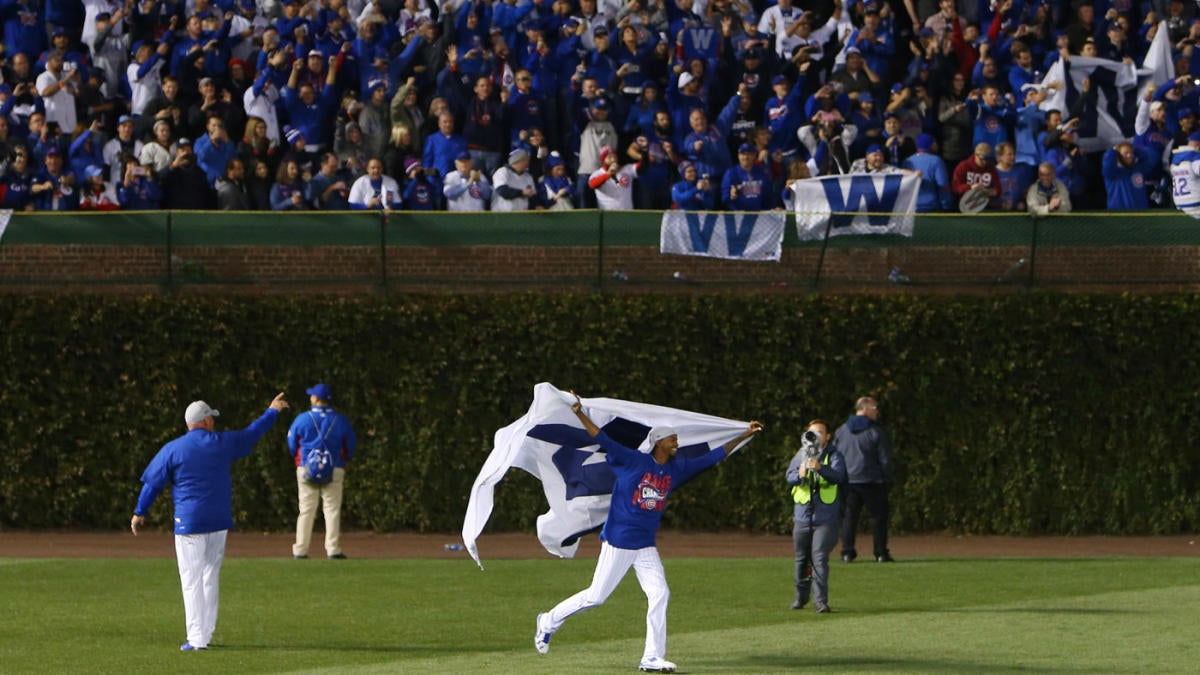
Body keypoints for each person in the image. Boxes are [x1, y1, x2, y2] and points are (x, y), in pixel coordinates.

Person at [534, 391, 763, 673]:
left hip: (644, 544)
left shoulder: (675, 470)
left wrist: (743, 435)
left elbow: (713, 457)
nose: (677, 442)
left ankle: (651, 656)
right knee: (596, 596)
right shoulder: (633, 461)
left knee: (659, 593)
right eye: (672, 439)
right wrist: (580, 412)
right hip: (619, 541)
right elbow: (601, 438)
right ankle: (548, 620)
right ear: (658, 443)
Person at [130, 393, 290, 651]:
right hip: (218, 522)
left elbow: (152, 484)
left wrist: (140, 512)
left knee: (191, 579)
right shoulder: (221, 443)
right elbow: (251, 434)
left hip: (189, 523)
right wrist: (271, 411)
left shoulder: (173, 449)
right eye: (211, 418)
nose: (213, 422)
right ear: (204, 421)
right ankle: (206, 633)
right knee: (209, 576)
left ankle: (197, 639)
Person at [288, 383, 356, 560]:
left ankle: (300, 550)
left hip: (306, 467)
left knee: (306, 510)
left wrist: (299, 460)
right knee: (332, 510)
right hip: (334, 467)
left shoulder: (303, 418)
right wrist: (343, 461)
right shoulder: (340, 420)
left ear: (316, 399)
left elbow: (292, 443)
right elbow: (350, 444)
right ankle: (332, 549)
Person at [786, 419, 847, 613]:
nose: (816, 436)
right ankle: (800, 598)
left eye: (820, 432)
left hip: (825, 517)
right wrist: (801, 474)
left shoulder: (834, 455)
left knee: (819, 558)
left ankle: (820, 601)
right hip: (803, 515)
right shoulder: (801, 454)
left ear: (828, 436)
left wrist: (821, 468)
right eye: (813, 432)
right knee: (801, 559)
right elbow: (790, 476)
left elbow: (839, 476)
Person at [835, 396, 894, 564]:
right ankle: (880, 553)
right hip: (872, 481)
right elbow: (884, 458)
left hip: (848, 482)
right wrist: (887, 477)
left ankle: (847, 552)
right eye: (875, 408)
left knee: (849, 518)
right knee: (878, 518)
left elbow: (836, 454)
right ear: (866, 409)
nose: (877, 412)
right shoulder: (875, 431)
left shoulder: (842, 431)